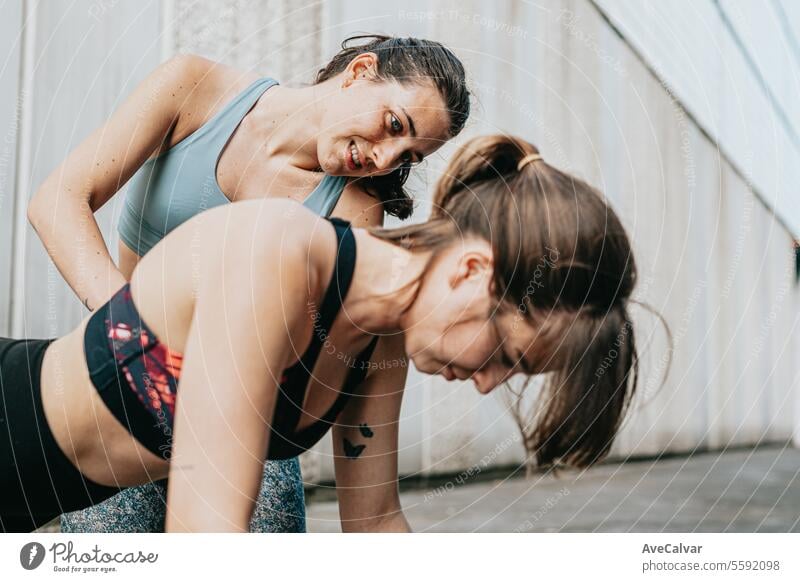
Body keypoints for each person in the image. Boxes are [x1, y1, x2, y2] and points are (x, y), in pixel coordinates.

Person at [3, 134, 643, 533]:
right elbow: (205, 534)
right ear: (473, 272)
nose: (486, 384)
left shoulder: (381, 338)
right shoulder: (278, 256)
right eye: (506, 354)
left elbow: (376, 523)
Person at [26, 34, 470, 532]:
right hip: (127, 388)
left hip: (244, 423)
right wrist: (134, 335)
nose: (387, 160)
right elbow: (59, 200)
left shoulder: (354, 214)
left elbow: (313, 362)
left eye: (408, 154)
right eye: (394, 125)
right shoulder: (193, 88)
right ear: (359, 71)